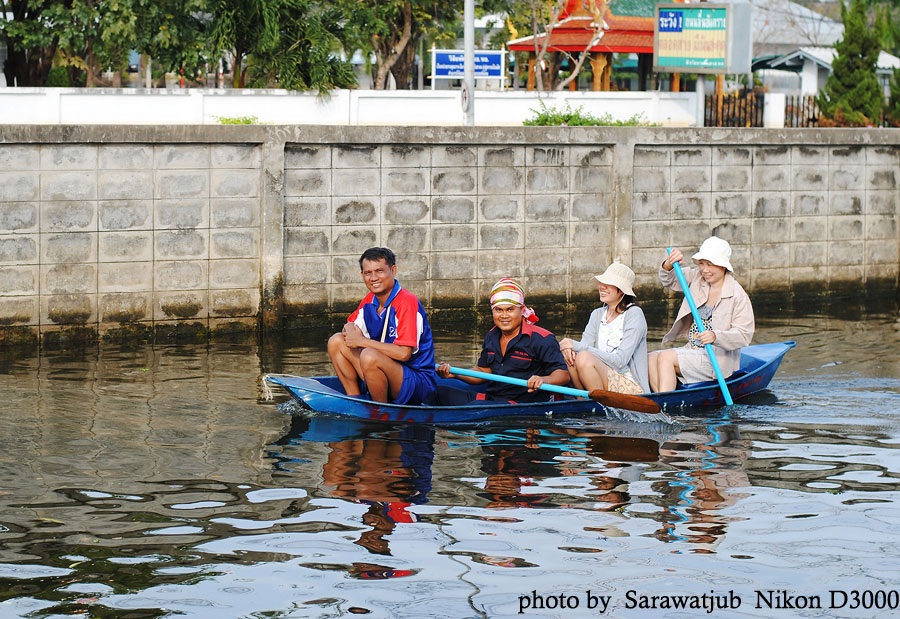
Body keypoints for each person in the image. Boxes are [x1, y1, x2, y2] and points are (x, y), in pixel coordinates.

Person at [327, 247, 436, 404]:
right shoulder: (370, 299)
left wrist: (362, 341)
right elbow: (349, 324)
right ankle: (355, 399)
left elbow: (404, 354)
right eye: (368, 273)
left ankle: (380, 411)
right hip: (387, 371)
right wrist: (351, 330)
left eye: (379, 271)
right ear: (362, 275)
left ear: (393, 270)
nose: (373, 278)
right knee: (336, 341)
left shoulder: (407, 301)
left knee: (369, 355)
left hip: (417, 383)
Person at [434, 278, 569, 404]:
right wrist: (456, 373)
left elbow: (563, 375)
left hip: (519, 403)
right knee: (437, 393)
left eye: (510, 310)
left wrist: (543, 380)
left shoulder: (542, 338)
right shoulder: (492, 336)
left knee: (476, 407)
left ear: (522, 310)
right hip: (492, 398)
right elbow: (483, 372)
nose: (504, 316)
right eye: (498, 310)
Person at [648, 236, 755, 392]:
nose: (704, 270)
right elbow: (669, 280)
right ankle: (662, 402)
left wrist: (715, 336)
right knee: (650, 358)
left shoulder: (738, 296)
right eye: (702, 264)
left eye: (710, 265)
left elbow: (744, 335)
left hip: (716, 360)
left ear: (723, 266)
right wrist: (669, 264)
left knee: (665, 358)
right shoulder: (697, 277)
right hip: (692, 350)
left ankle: (665, 405)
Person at [558, 262, 650, 395]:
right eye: (601, 282)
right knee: (570, 355)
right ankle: (581, 400)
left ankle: (598, 405)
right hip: (598, 376)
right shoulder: (597, 314)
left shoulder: (634, 314)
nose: (602, 286)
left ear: (622, 290)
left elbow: (620, 361)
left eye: (608, 283)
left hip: (629, 384)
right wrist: (569, 348)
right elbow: (583, 346)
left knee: (583, 356)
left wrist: (576, 345)